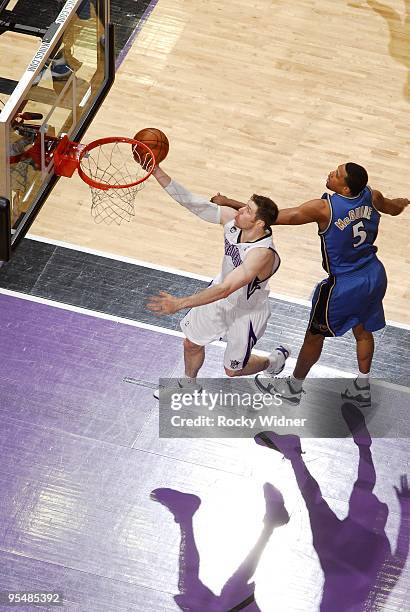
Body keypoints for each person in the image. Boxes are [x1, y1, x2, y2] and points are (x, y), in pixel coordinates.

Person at [212, 162, 409, 405]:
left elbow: (275, 217)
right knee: (363, 330)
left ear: (346, 189)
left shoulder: (324, 208)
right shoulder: (372, 195)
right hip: (373, 274)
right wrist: (402, 202)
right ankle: (362, 385)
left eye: (337, 175)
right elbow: (393, 208)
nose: (331, 173)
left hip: (343, 286)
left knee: (314, 336)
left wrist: (230, 202)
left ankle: (293, 388)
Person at [147, 165, 290, 398]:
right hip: (219, 296)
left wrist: (180, 303)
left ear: (260, 224)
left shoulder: (262, 254)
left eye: (247, 210)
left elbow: (226, 289)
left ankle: (273, 361)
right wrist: (156, 171)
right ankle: (189, 383)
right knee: (191, 343)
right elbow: (191, 202)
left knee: (233, 370)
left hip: (246, 311)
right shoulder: (232, 222)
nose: (239, 210)